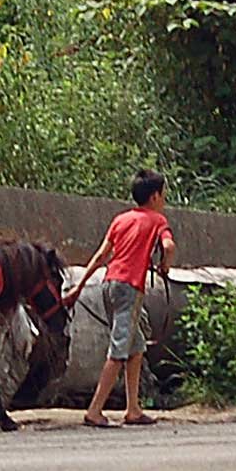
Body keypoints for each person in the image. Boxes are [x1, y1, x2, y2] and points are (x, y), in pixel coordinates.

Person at [63, 169, 176, 427]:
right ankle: (94, 410)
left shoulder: (121, 220)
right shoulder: (158, 220)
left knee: (136, 347)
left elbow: (101, 255)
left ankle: (133, 409)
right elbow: (169, 246)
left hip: (109, 285)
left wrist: (78, 287)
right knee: (119, 350)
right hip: (129, 288)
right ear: (155, 196)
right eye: (164, 194)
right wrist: (165, 266)